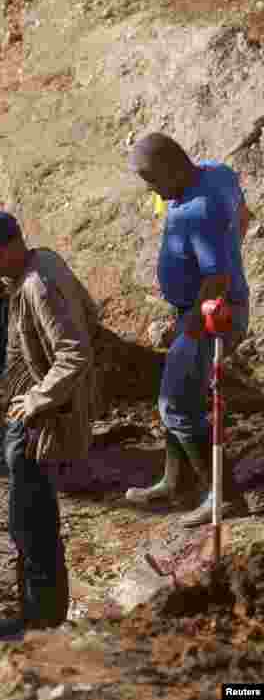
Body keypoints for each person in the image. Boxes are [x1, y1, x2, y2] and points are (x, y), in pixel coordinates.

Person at [0, 209, 101, 640]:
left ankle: (40, 624)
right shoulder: (46, 262)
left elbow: (74, 350)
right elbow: (90, 315)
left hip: (39, 421)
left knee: (30, 521)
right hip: (37, 411)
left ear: (2, 249)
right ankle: (42, 615)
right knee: (34, 517)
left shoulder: (39, 284)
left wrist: (39, 398)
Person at [126, 133, 252, 527]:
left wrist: (192, 329)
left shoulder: (196, 210)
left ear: (172, 167)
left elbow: (214, 279)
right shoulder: (218, 173)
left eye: (151, 178)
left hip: (212, 314)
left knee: (177, 404)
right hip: (208, 308)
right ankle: (176, 482)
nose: (149, 188)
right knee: (180, 392)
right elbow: (245, 217)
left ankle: (226, 497)